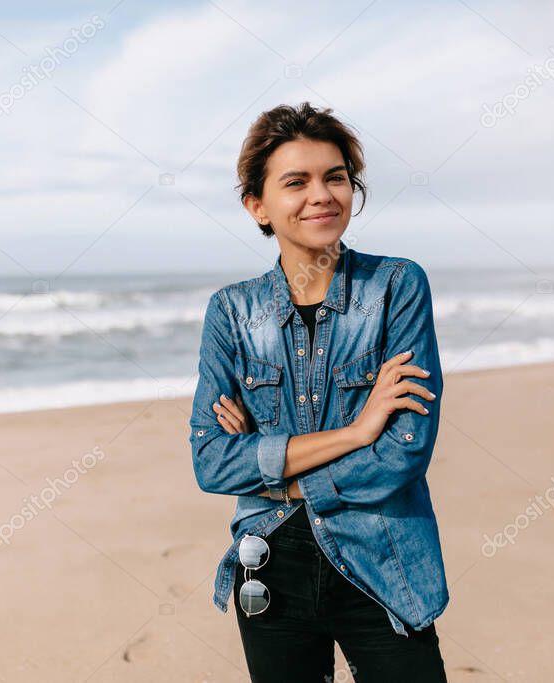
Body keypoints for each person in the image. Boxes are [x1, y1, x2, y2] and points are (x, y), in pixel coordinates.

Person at [189, 101, 449, 682]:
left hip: (383, 560)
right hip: (268, 568)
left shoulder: (395, 287)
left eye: (335, 177)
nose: (322, 195)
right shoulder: (231, 312)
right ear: (257, 204)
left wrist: (274, 471)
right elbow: (209, 462)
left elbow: (404, 451)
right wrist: (358, 432)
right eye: (296, 182)